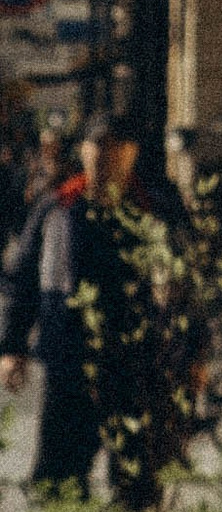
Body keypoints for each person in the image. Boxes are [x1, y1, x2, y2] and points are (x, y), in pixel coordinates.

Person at [0, 110, 148, 491]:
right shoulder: (57, 209)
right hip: (69, 359)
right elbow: (24, 280)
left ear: (131, 153)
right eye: (96, 144)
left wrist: (192, 356)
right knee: (59, 476)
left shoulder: (150, 210)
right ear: (82, 150)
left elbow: (186, 290)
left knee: (136, 481)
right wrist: (13, 347)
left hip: (136, 364)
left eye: (114, 146)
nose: (104, 155)